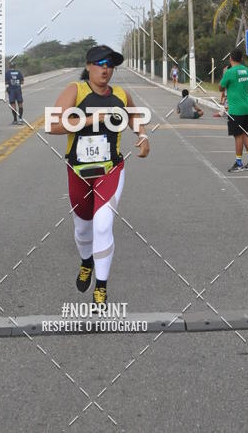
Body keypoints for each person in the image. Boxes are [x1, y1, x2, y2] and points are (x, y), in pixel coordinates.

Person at [47, 44, 150, 306]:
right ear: (88, 66)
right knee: (83, 229)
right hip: (78, 171)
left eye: (110, 65)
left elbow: (134, 115)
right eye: (101, 64)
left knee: (103, 225)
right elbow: (52, 125)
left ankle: (101, 287)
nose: (106, 69)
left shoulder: (121, 94)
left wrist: (142, 135)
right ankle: (86, 262)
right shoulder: (76, 90)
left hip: (110, 169)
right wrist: (92, 119)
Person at [219, 48, 248, 172]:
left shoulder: (229, 72)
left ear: (230, 58)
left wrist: (225, 74)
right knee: (245, 134)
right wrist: (246, 101)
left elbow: (220, 88)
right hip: (246, 108)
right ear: (241, 59)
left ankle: (239, 163)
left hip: (236, 110)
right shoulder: (247, 71)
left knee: (238, 136)